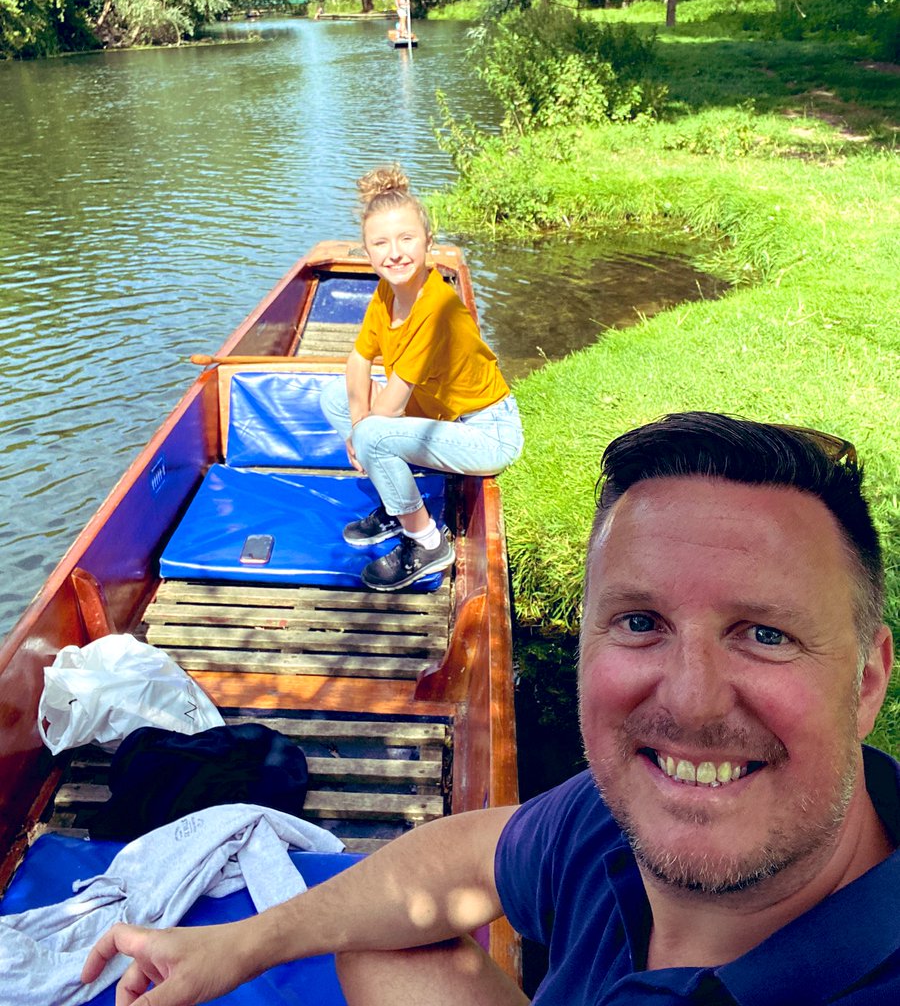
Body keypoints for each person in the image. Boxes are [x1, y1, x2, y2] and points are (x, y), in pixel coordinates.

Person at [82, 412, 899, 1005]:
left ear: (868, 679)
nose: (690, 699)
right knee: (380, 956)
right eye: (641, 622)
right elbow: (464, 861)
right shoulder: (613, 817)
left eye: (764, 634)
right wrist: (240, 945)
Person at [319, 165, 523, 591]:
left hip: (487, 433)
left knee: (374, 432)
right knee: (335, 398)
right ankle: (397, 509)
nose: (394, 253)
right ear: (367, 252)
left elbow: (390, 407)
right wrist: (357, 425)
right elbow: (358, 360)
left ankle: (427, 542)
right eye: (381, 243)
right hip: (442, 420)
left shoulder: (438, 309)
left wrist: (363, 437)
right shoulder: (386, 293)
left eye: (406, 239)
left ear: (429, 241)